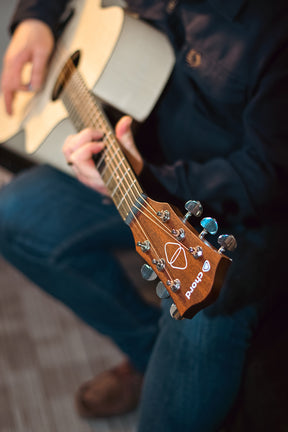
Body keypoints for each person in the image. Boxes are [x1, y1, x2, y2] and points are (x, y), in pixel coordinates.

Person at [0, 0, 288, 430]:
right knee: (15, 214)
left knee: (201, 318)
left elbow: (267, 176)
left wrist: (148, 176)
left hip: (232, 212)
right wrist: (36, 20)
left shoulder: (275, 30)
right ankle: (148, 353)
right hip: (139, 156)